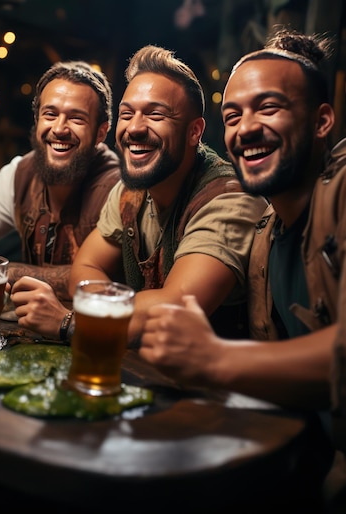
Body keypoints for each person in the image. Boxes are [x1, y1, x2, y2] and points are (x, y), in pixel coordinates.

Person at [138, 29, 346, 507]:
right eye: (232, 116)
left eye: (268, 108)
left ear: (321, 122)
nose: (244, 128)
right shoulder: (264, 232)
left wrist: (213, 358)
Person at [11, 45, 267, 345]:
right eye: (127, 114)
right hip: (147, 369)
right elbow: (85, 267)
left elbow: (175, 308)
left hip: (215, 387)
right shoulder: (130, 191)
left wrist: (71, 321)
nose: (134, 128)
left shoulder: (228, 198)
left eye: (155, 114)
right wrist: (110, 313)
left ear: (194, 132)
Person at [0, 60, 120, 307]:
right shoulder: (21, 172)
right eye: (50, 114)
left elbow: (95, 281)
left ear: (100, 133)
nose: (59, 128)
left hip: (87, 333)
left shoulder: (118, 188)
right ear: (37, 119)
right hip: (27, 333)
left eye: (76, 118)